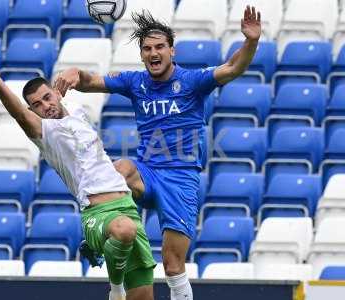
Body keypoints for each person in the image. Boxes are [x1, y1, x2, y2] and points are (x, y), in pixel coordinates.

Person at [54, 6, 261, 300]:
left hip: (180, 178)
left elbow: (232, 68)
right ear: (141, 55)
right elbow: (91, 82)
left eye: (160, 47)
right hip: (147, 171)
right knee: (119, 169)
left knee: (172, 263)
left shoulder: (192, 82)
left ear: (172, 51)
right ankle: (99, 233)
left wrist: (250, 41)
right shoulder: (135, 82)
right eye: (147, 48)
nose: (154, 52)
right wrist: (75, 73)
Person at [0, 50, 156, 300]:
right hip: (98, 212)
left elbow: (97, 80)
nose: (45, 106)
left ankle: (102, 251)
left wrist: (89, 74)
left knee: (144, 296)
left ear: (55, 93)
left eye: (47, 97)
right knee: (124, 231)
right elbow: (18, 112)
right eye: (36, 105)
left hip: (126, 205)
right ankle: (115, 291)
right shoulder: (44, 133)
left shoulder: (77, 109)